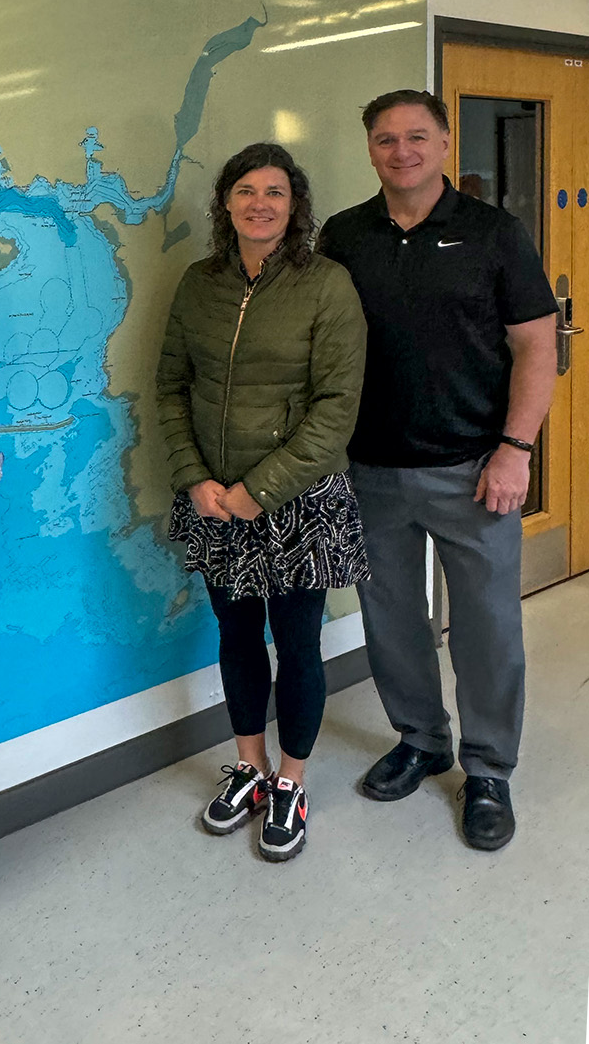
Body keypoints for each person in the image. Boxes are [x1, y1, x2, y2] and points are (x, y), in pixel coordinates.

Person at [319, 89, 557, 852]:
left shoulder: (495, 233)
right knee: (391, 621)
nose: (402, 151)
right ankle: (422, 739)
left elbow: (535, 344)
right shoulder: (344, 235)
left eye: (417, 137)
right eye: (385, 139)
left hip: (475, 470)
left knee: (487, 626)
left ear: (446, 144)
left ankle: (488, 769)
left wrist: (516, 449)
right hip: (372, 470)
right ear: (370, 150)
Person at [156, 142, 368, 862]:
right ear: (226, 202)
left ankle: (290, 780)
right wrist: (196, 478)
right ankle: (249, 765)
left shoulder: (327, 285)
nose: (260, 203)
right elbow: (171, 387)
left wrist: (260, 490)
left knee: (298, 641)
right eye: (246, 189)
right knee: (237, 634)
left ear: (294, 206)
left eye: (275, 191)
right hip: (214, 497)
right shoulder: (198, 284)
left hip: (299, 499)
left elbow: (337, 409)